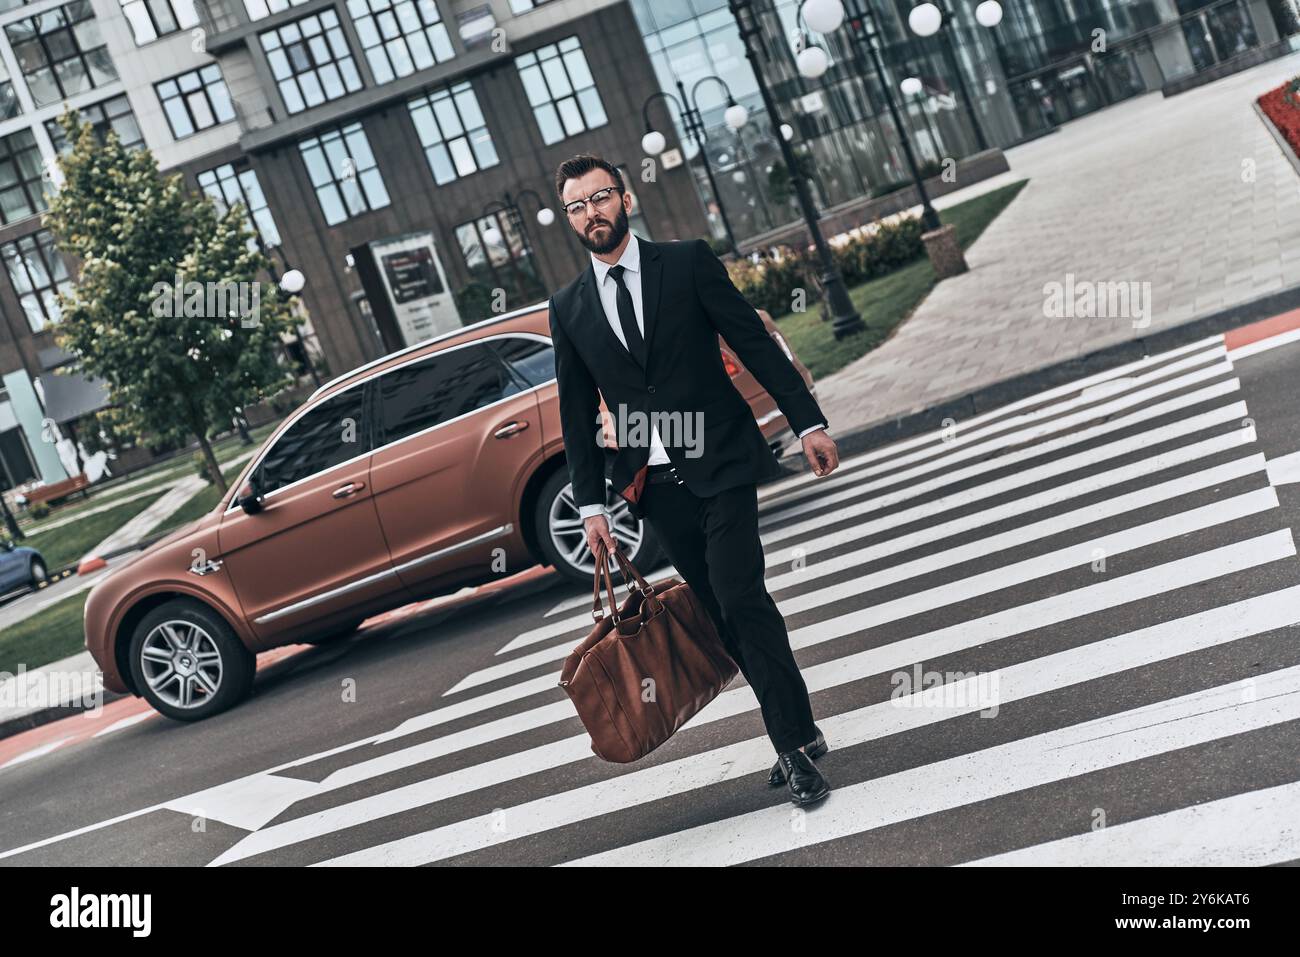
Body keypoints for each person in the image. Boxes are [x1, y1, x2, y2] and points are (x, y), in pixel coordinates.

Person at [546, 154, 840, 806]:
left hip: (723, 460)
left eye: (600, 197)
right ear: (569, 217)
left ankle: (789, 748)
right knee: (726, 612)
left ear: (624, 197)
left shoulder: (685, 263)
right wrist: (591, 504)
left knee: (739, 596)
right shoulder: (568, 307)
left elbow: (754, 342)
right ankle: (802, 726)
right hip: (657, 488)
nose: (591, 212)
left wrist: (808, 422)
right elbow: (574, 412)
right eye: (577, 205)